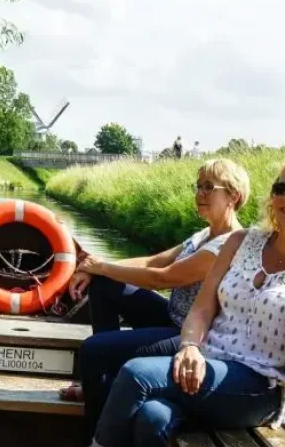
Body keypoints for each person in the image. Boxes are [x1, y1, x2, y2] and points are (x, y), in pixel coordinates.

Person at [91, 155, 285, 447]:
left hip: (258, 387)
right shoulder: (241, 242)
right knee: (152, 417)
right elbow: (203, 307)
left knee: (136, 373)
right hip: (207, 366)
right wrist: (190, 346)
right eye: (280, 188)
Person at [59, 159, 250, 438]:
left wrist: (100, 266)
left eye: (209, 187)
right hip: (173, 316)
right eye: (198, 186)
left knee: (93, 350)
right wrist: (96, 269)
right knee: (104, 285)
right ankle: (104, 383)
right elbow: (152, 262)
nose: (200, 194)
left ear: (234, 195)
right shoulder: (204, 235)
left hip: (192, 336)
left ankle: (97, 431)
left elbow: (164, 277)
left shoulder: (228, 244)